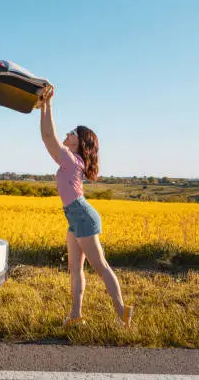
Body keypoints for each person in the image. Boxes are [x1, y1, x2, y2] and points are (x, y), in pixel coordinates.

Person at [37, 85, 134, 328]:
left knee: (100, 266)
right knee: (75, 269)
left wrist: (47, 105)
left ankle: (122, 311)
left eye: (71, 133)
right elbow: (52, 138)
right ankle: (75, 315)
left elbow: (49, 137)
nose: (67, 135)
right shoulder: (74, 159)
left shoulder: (71, 159)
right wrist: (43, 104)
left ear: (80, 142)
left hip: (82, 216)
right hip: (75, 217)